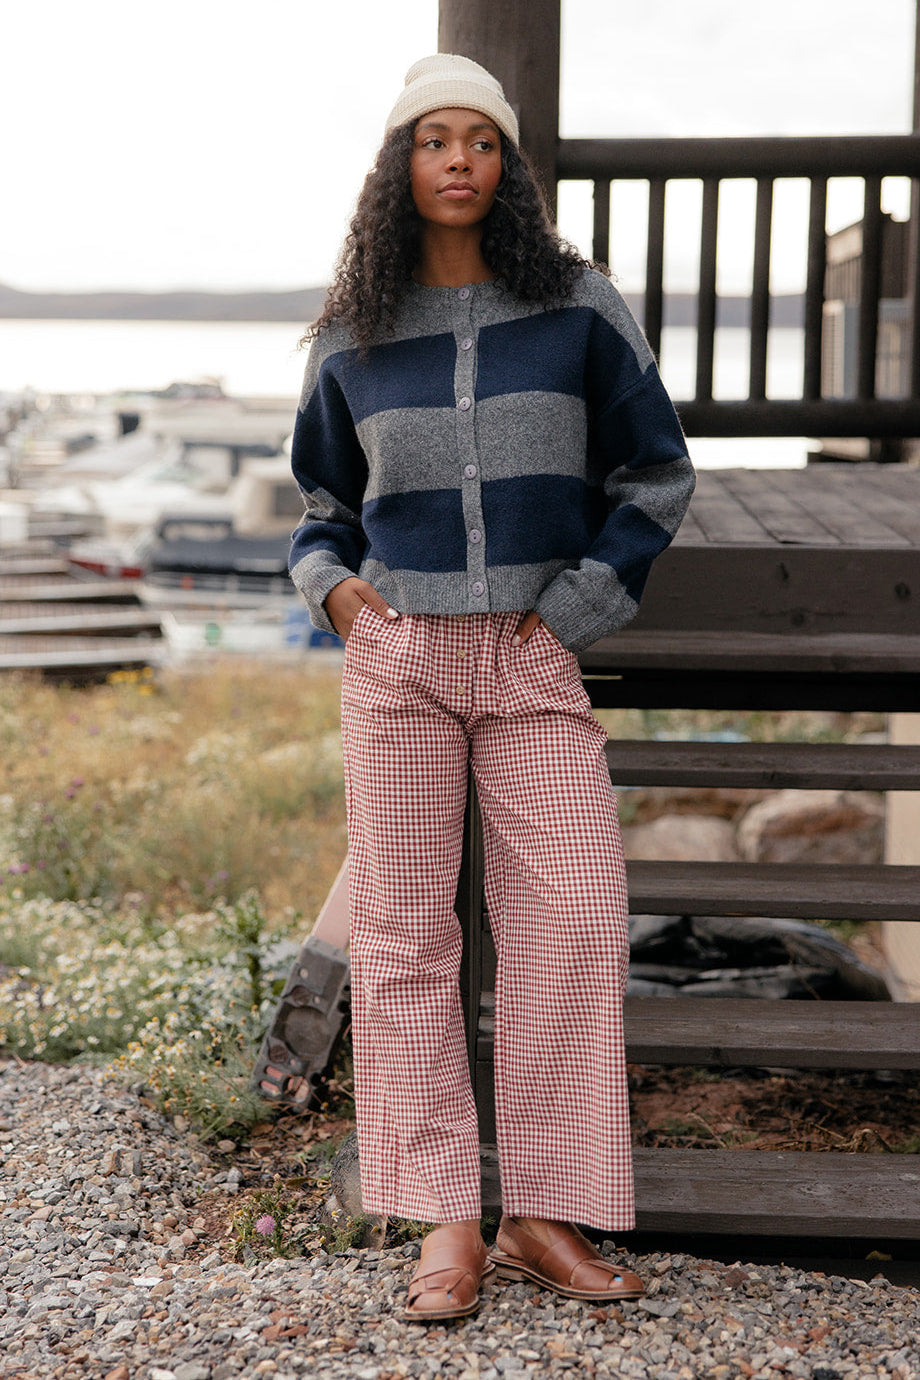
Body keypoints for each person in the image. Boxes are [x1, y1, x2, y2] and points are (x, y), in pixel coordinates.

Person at [287, 54, 696, 1322]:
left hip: (527, 656)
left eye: (478, 139)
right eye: (432, 139)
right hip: (399, 660)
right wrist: (336, 595)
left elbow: (655, 474)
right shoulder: (355, 330)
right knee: (405, 938)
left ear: (504, 164)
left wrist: (573, 609)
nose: (456, 158)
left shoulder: (575, 305)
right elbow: (320, 504)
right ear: (398, 166)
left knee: (571, 918)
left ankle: (539, 1211)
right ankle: (442, 1221)